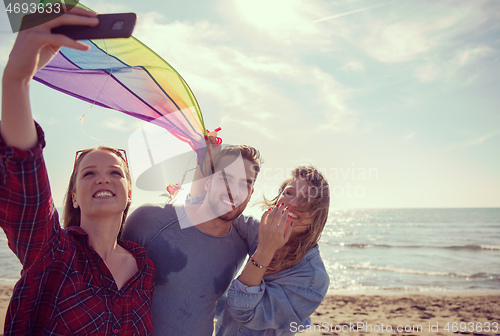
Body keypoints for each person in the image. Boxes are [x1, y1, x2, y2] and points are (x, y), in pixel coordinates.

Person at [0, 7, 155, 335]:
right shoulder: (52, 252)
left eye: (116, 173)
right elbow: (25, 181)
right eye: (88, 174)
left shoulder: (146, 269)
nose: (103, 177)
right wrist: (16, 81)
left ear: (130, 192)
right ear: (73, 195)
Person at [121, 143, 263, 336]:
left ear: (251, 193)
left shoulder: (240, 247)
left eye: (244, 184)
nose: (233, 191)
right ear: (207, 181)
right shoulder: (148, 220)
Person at [215, 166, 331, 335]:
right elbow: (221, 215)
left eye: (306, 199)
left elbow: (242, 311)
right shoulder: (256, 231)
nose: (293, 204)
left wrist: (265, 250)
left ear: (318, 215)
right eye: (289, 193)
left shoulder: (313, 279)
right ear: (278, 198)